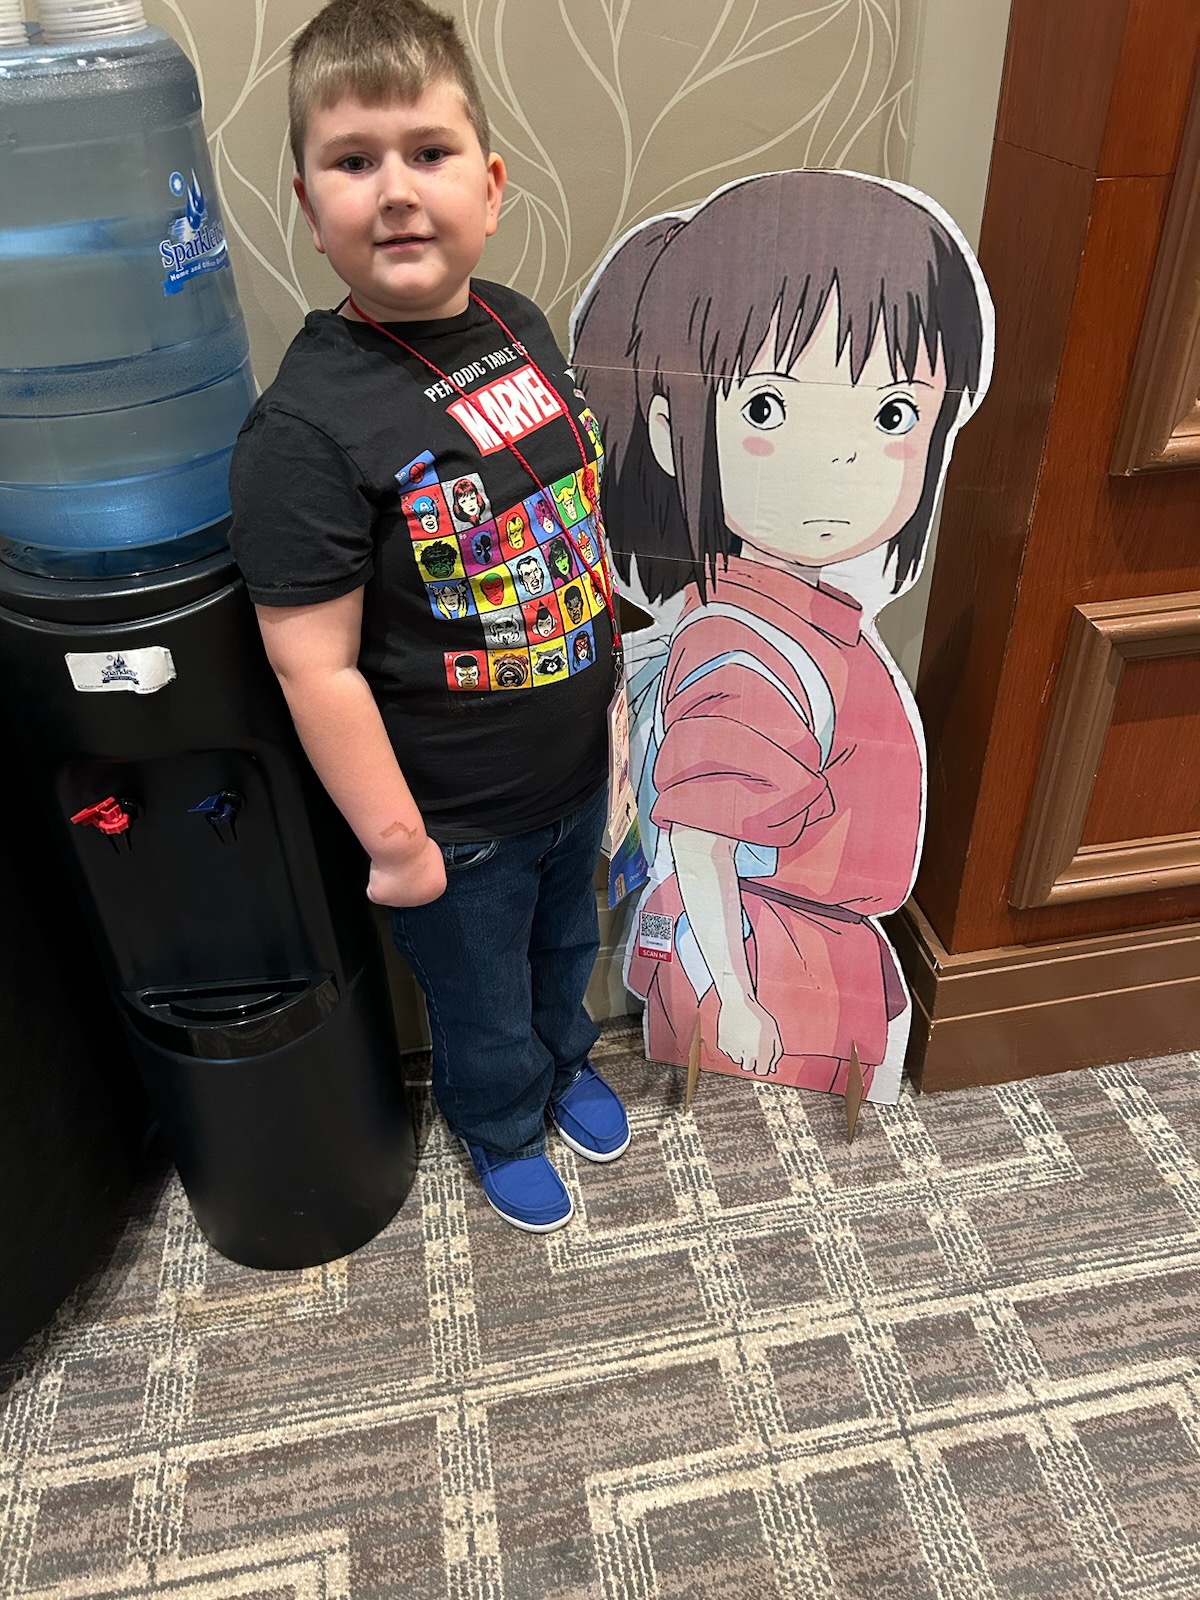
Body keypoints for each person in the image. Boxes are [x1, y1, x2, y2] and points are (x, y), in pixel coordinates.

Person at [228, 0, 629, 1234]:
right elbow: (315, 668)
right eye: (354, 161)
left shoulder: (519, 323)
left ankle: (567, 1064)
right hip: (454, 820)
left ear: (490, 187)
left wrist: (613, 719)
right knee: (481, 1001)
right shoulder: (305, 429)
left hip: (572, 770)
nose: (397, 191)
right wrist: (399, 845)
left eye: (429, 151)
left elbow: (576, 527)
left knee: (568, 956)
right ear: (310, 206)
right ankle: (502, 1119)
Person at [572, 171, 991, 1099]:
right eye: (766, 407)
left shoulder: (790, 619)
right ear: (673, 433)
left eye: (891, 414)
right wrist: (736, 997)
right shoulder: (746, 653)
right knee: (764, 1143)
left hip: (797, 957)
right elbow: (701, 838)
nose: (838, 454)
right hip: (766, 967)